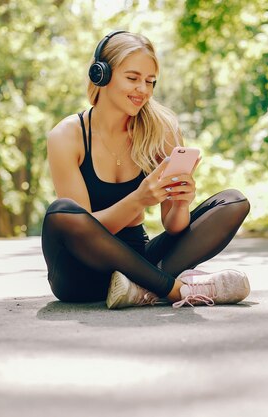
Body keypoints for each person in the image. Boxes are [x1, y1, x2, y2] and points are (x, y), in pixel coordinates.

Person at [40, 30, 251, 309]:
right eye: (133, 78)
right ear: (101, 74)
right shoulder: (67, 136)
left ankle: (139, 290)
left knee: (234, 203)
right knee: (61, 213)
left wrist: (181, 203)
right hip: (81, 276)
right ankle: (175, 290)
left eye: (150, 81)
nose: (143, 90)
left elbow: (174, 227)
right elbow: (83, 231)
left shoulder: (161, 130)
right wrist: (139, 199)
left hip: (139, 262)